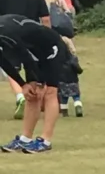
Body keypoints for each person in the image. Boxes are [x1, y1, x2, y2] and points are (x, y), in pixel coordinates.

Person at [0, 12, 73, 154]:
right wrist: (23, 84)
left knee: (49, 92)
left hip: (52, 49)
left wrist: (37, 81)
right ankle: (25, 139)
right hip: (34, 54)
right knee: (31, 95)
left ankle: (45, 141)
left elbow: (24, 56)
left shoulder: (5, 31)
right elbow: (3, 62)